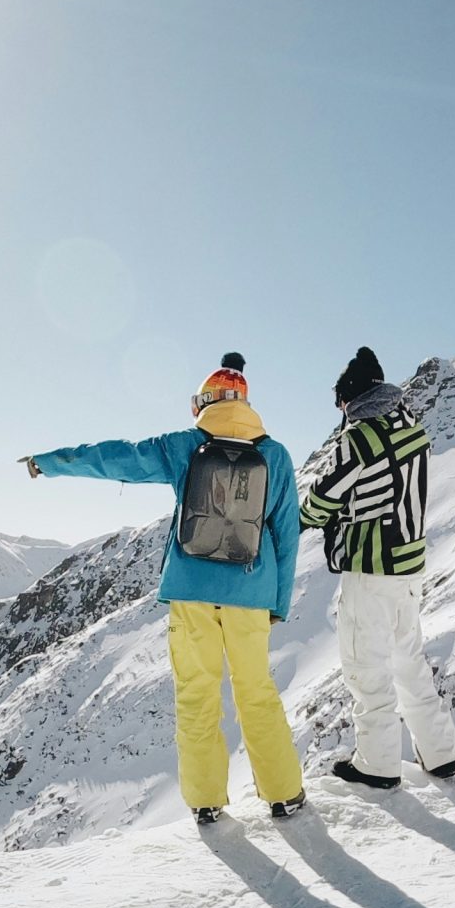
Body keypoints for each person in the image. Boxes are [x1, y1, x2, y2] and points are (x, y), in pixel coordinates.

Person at [21, 353, 308, 825]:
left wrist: (49, 463)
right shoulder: (275, 455)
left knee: (197, 695)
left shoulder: (184, 446)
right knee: (256, 693)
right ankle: (283, 794)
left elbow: (118, 457)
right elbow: (287, 532)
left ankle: (206, 803)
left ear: (205, 402)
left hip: (192, 588)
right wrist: (277, 603)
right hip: (253, 591)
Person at [299, 346, 455, 790]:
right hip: (409, 569)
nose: (340, 411)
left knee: (365, 666)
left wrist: (301, 519)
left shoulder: (360, 438)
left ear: (351, 397)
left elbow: (322, 499)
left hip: (370, 569)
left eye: (340, 402)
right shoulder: (413, 430)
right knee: (408, 662)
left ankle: (377, 763)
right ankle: (441, 755)